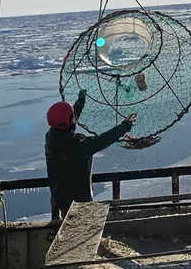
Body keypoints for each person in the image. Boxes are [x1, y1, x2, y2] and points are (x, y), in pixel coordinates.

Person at [45, 89, 136, 217]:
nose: (74, 118)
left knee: (63, 225)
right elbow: (102, 141)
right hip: (76, 203)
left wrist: (80, 101)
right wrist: (125, 126)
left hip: (59, 197)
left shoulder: (52, 136)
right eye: (72, 117)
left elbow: (68, 118)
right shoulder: (77, 147)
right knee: (75, 231)